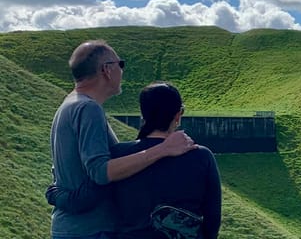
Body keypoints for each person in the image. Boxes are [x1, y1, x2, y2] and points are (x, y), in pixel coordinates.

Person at [49, 40, 197, 239]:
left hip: (73, 227)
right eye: (121, 64)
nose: (122, 71)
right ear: (107, 70)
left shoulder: (69, 105)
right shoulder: (88, 108)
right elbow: (100, 171)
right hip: (91, 231)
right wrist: (163, 149)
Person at [110, 82, 221, 238]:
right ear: (178, 115)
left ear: (143, 114)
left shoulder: (118, 154)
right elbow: (213, 220)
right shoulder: (202, 156)